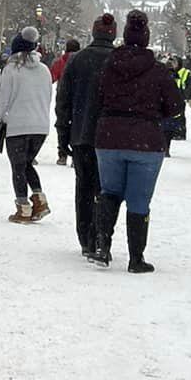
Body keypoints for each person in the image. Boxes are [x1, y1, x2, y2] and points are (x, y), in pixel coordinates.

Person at [79, 10, 176, 271]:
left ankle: (102, 247)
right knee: (139, 200)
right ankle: (136, 258)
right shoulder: (158, 71)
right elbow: (174, 106)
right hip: (146, 140)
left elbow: (97, 99)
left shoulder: (108, 67)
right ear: (146, 38)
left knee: (109, 192)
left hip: (109, 137)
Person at [58, 14, 116, 257]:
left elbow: (63, 101)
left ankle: (85, 237)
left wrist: (63, 137)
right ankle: (101, 235)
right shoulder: (117, 60)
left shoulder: (77, 60)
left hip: (81, 132)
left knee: (83, 186)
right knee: (106, 189)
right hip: (110, 135)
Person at [0, 28, 53, 223]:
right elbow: (49, 96)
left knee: (18, 166)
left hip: (18, 125)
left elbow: (4, 99)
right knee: (26, 163)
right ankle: (39, 200)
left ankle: (23, 207)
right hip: (40, 126)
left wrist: (2, 119)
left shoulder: (11, 69)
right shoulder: (44, 70)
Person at [49, 37, 78, 165]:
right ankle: (75, 156)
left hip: (62, 97)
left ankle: (62, 154)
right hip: (78, 98)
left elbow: (51, 78)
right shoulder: (82, 61)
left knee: (62, 126)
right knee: (77, 126)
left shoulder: (60, 62)